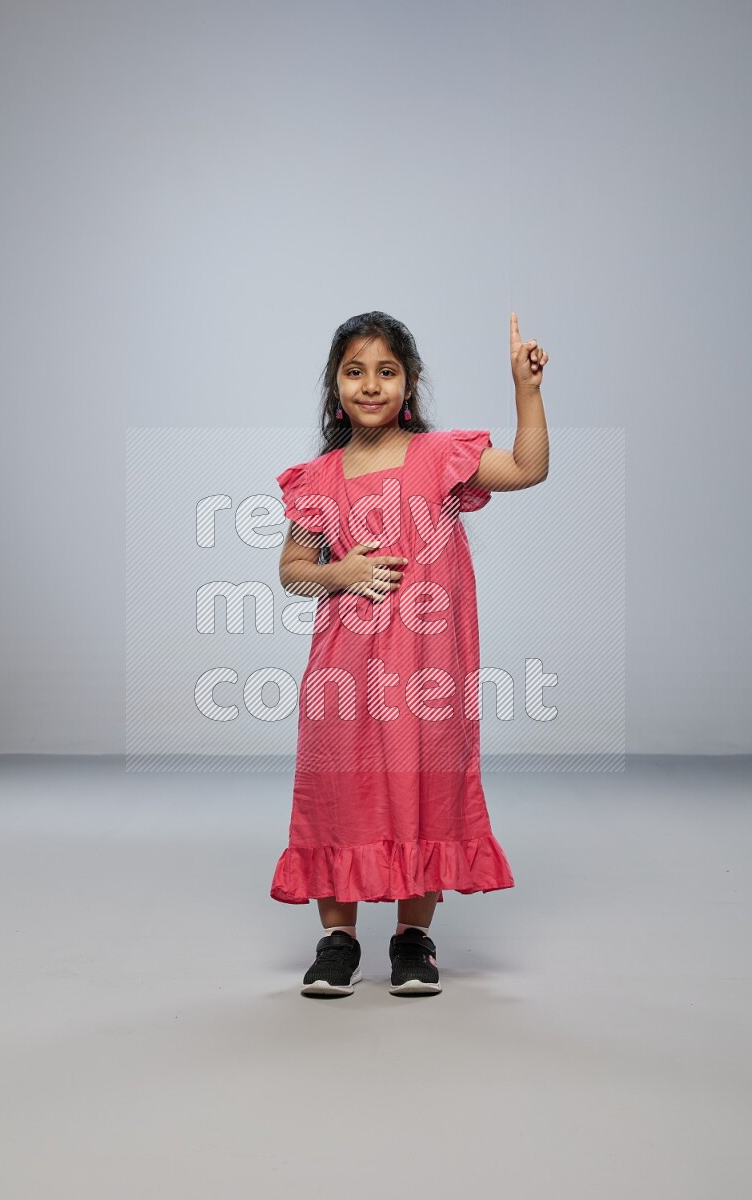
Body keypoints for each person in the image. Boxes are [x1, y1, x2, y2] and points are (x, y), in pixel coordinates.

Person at [271, 310, 549, 998]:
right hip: (346, 673)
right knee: (340, 789)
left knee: (421, 786)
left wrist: (526, 390)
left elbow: (527, 468)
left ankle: (412, 938)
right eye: (355, 371)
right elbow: (292, 567)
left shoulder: (440, 456)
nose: (371, 385)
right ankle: (338, 939)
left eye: (386, 371)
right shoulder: (320, 477)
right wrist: (339, 572)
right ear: (336, 386)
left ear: (410, 383)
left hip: (429, 671)